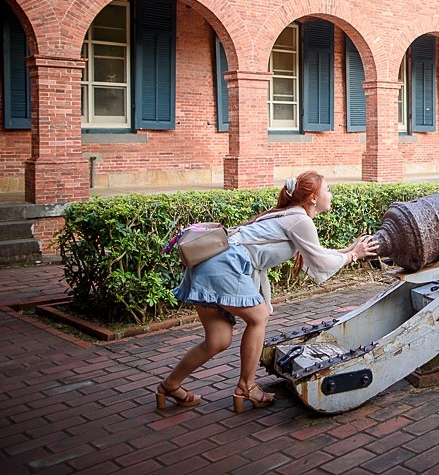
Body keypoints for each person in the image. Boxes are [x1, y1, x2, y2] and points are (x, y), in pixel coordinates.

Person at [156, 171, 379, 413]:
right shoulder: (300, 220)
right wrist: (354, 255)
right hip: (224, 266)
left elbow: (317, 254)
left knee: (218, 341)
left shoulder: (291, 216)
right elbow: (321, 263)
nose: (331, 194)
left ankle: (170, 385)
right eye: (328, 190)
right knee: (259, 317)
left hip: (209, 265)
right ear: (313, 198)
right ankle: (246, 387)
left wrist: (350, 250)